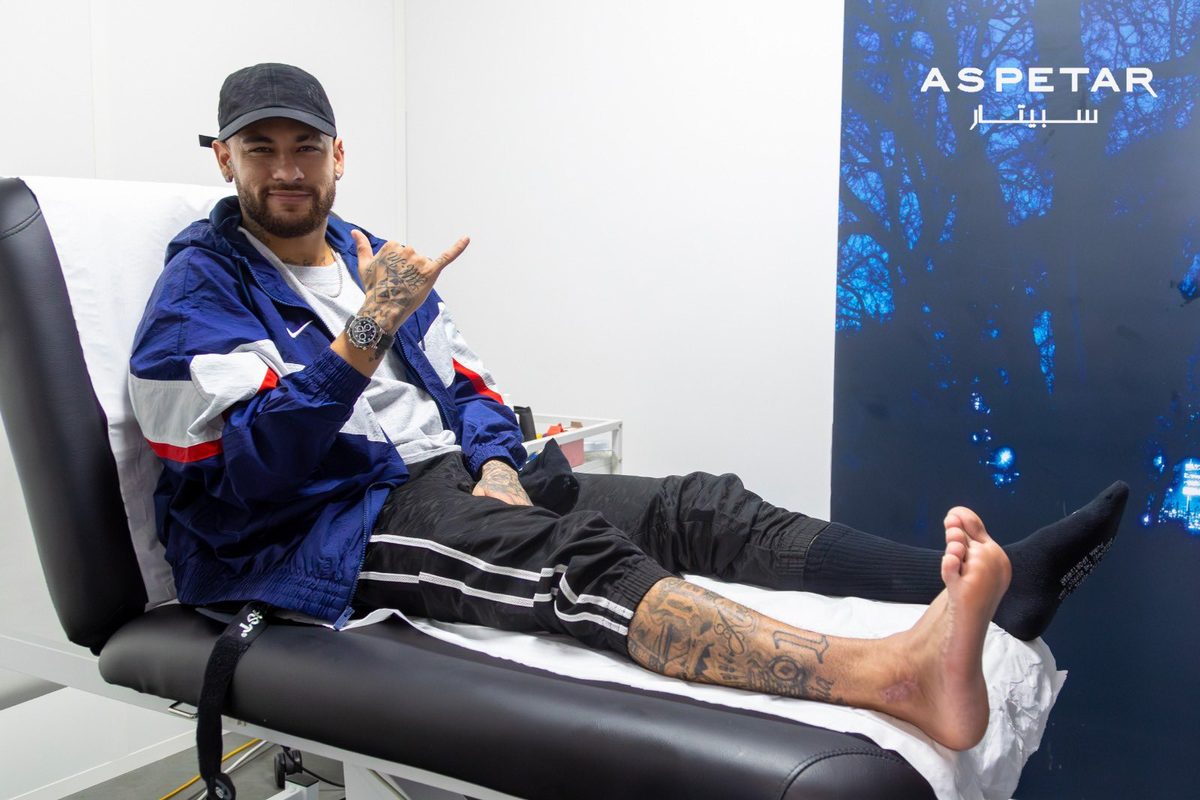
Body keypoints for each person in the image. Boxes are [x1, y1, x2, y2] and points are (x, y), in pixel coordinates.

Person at [128, 63, 1128, 751]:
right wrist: (361, 340)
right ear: (223, 158)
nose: (288, 168)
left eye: (307, 146)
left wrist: (498, 460)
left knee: (702, 505)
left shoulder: (370, 256)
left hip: (443, 476)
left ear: (338, 156)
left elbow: (468, 382)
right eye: (261, 148)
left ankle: (962, 591)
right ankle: (890, 676)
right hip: (325, 526)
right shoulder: (198, 294)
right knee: (580, 564)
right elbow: (242, 474)